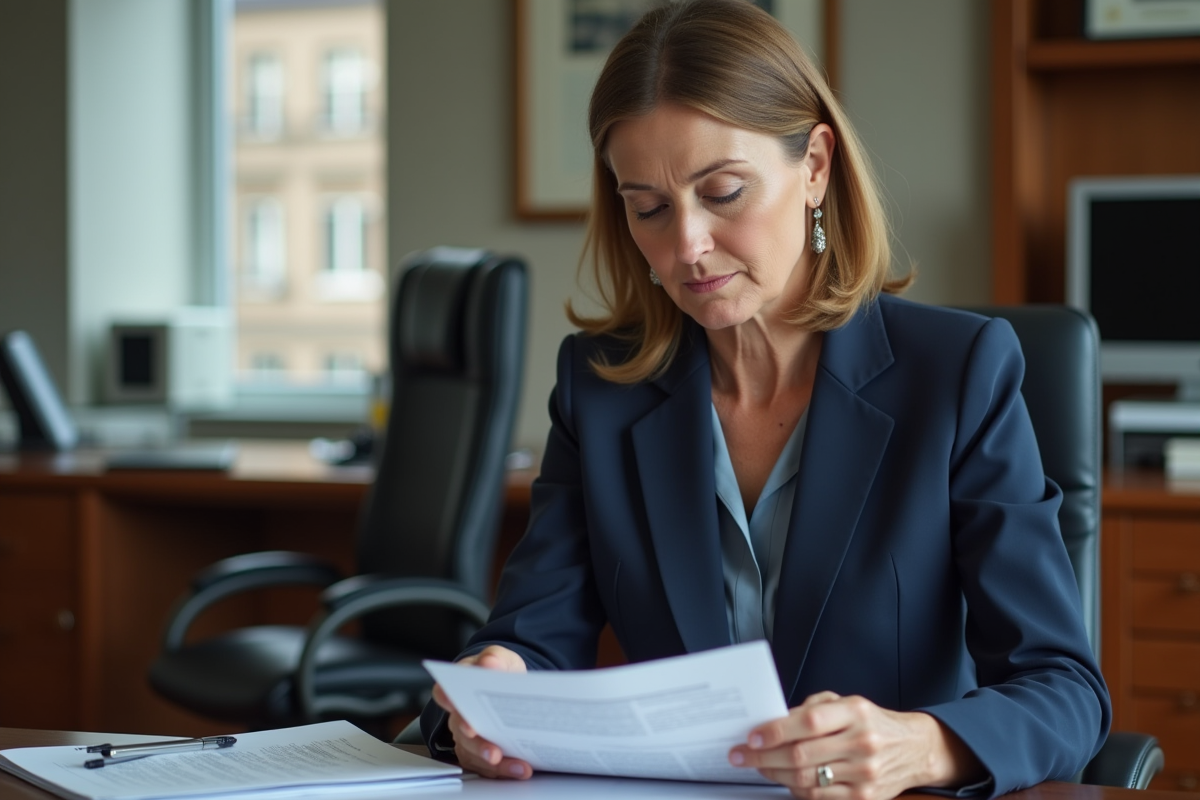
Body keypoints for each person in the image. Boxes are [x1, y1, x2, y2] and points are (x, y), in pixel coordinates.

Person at [422, 1, 1111, 797]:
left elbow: (1065, 691)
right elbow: (531, 639)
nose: (687, 246)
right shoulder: (601, 388)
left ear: (814, 165)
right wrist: (492, 693)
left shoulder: (958, 373)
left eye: (723, 192)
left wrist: (920, 747)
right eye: (649, 208)